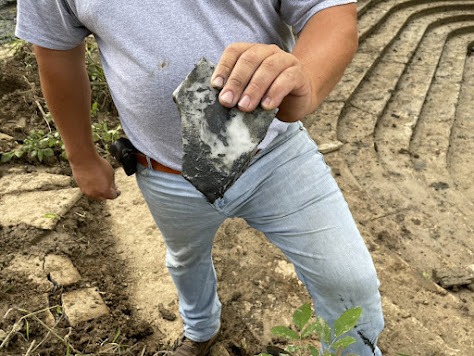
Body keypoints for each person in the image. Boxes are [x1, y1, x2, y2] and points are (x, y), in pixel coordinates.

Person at [16, 1, 385, 355]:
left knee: (350, 283)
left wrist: (307, 80)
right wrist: (81, 156)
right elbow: (55, 50)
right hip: (164, 169)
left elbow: (328, 10)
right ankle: (200, 330)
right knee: (185, 260)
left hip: (275, 154)